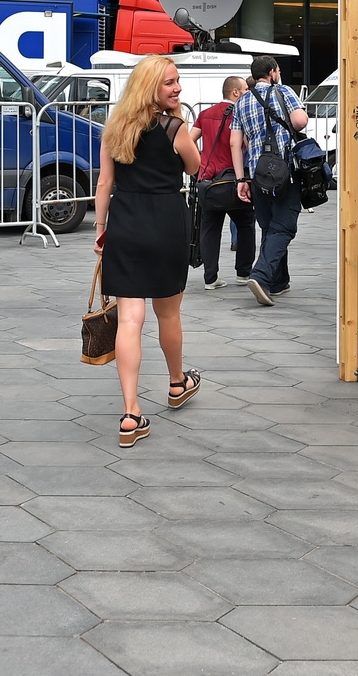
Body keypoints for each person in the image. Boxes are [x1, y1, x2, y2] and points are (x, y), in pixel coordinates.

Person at [92, 55, 203, 447]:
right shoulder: (175, 128)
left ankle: (130, 413)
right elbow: (195, 167)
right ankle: (176, 382)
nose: (178, 88)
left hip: (125, 222)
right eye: (170, 82)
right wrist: (181, 125)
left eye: (177, 81)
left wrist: (101, 229)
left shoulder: (115, 128)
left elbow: (105, 183)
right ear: (150, 87)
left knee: (129, 319)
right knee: (168, 312)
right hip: (167, 223)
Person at [230, 55, 308, 306]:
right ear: (273, 72)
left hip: (257, 173)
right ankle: (261, 276)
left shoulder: (242, 101)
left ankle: (278, 282)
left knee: (270, 225)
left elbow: (234, 143)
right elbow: (300, 121)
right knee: (284, 226)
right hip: (285, 169)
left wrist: (241, 179)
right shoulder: (283, 91)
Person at [189, 76, 256, 289]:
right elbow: (246, 144)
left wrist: (200, 161)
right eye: (245, 90)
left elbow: (189, 140)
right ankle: (243, 273)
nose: (247, 93)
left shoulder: (205, 114)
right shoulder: (240, 114)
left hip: (209, 181)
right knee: (246, 224)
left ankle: (210, 278)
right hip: (235, 180)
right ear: (235, 92)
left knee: (209, 228)